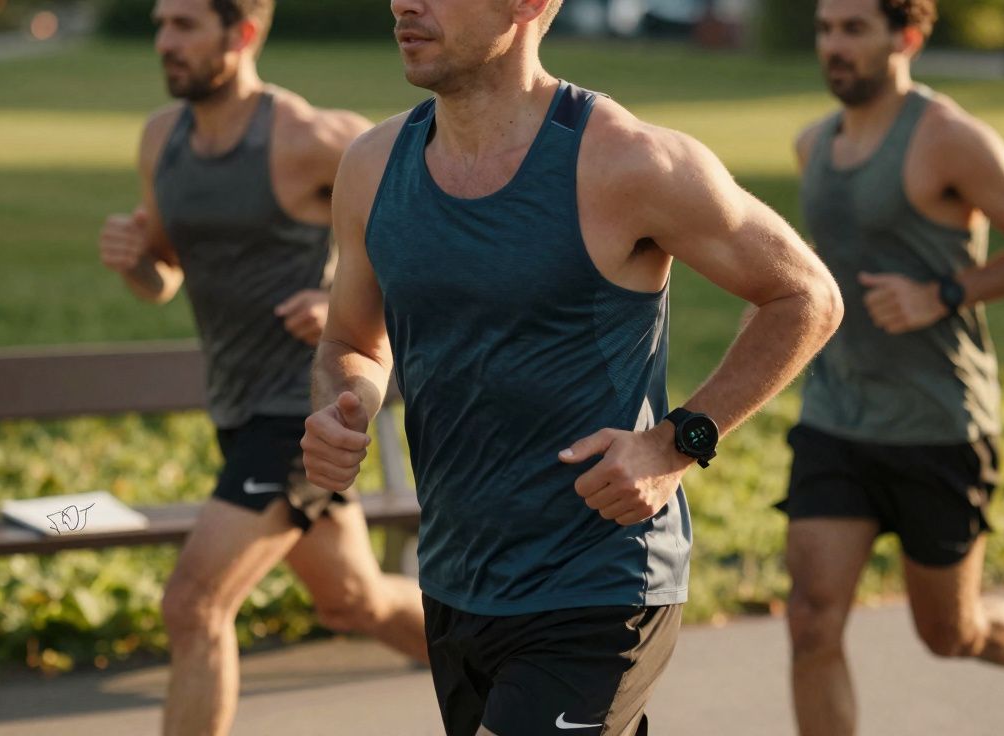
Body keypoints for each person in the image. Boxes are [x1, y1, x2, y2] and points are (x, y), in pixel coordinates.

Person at [300, 1, 842, 733]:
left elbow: (806, 295)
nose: (404, 1)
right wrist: (345, 407)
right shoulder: (373, 166)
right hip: (460, 580)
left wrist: (676, 443)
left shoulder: (627, 161)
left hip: (600, 579)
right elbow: (351, 345)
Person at [776, 0, 1004, 734]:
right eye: (827, 29)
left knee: (949, 632)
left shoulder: (950, 139)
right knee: (810, 620)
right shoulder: (813, 146)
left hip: (937, 422)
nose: (835, 46)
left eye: (855, 30)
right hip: (837, 417)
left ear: (909, 36)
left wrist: (943, 294)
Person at [97, 1, 428, 733]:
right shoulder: (163, 141)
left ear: (241, 33)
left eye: (185, 26)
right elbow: (167, 276)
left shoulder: (311, 138)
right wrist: (137, 264)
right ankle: (493, 654)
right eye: (161, 25)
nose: (165, 42)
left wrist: (343, 295)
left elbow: (424, 230)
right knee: (353, 601)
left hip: (305, 410)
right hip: (237, 408)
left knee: (195, 603)